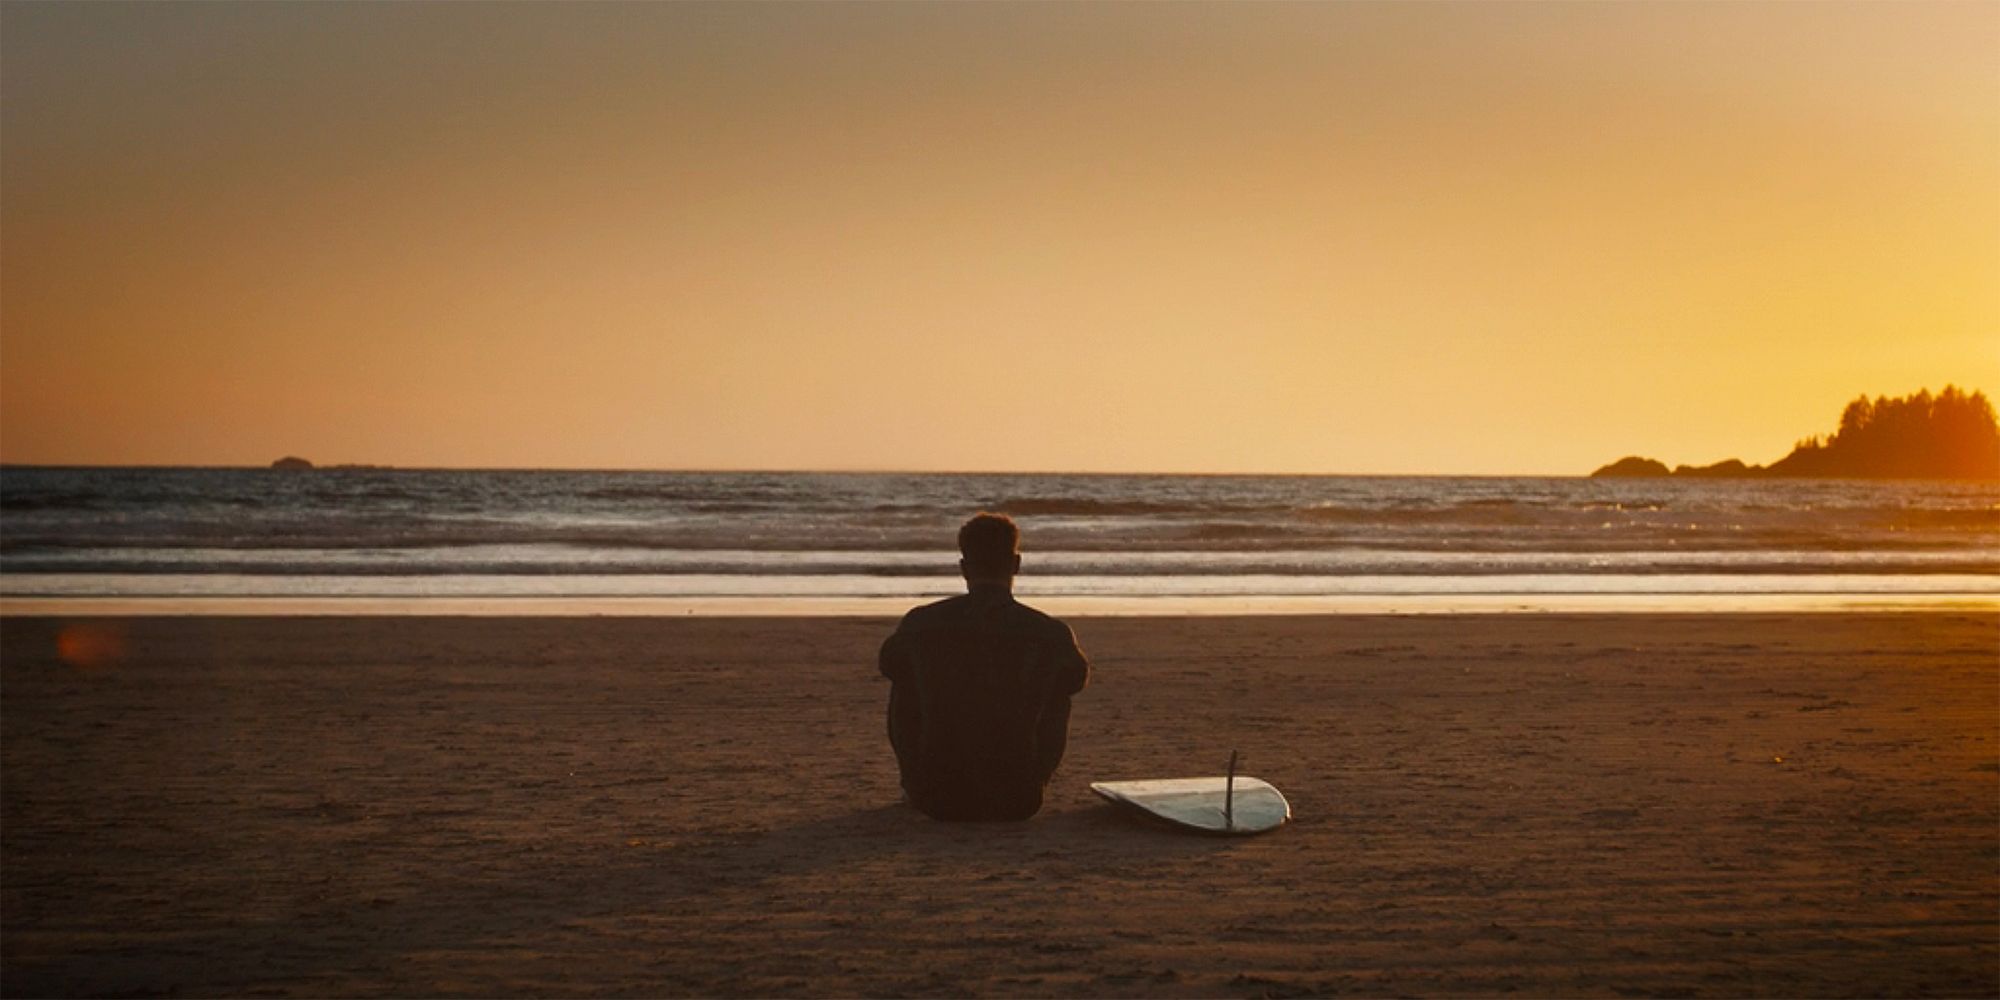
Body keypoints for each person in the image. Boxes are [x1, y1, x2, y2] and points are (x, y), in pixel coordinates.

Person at [879, 512, 1089, 821]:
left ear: (964, 568)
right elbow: (1076, 680)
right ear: (1016, 564)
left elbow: (888, 665)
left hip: (934, 798)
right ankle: (1034, 775)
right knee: (1058, 686)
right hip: (1018, 799)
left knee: (906, 677)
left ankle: (914, 780)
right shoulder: (1050, 632)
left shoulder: (921, 622)